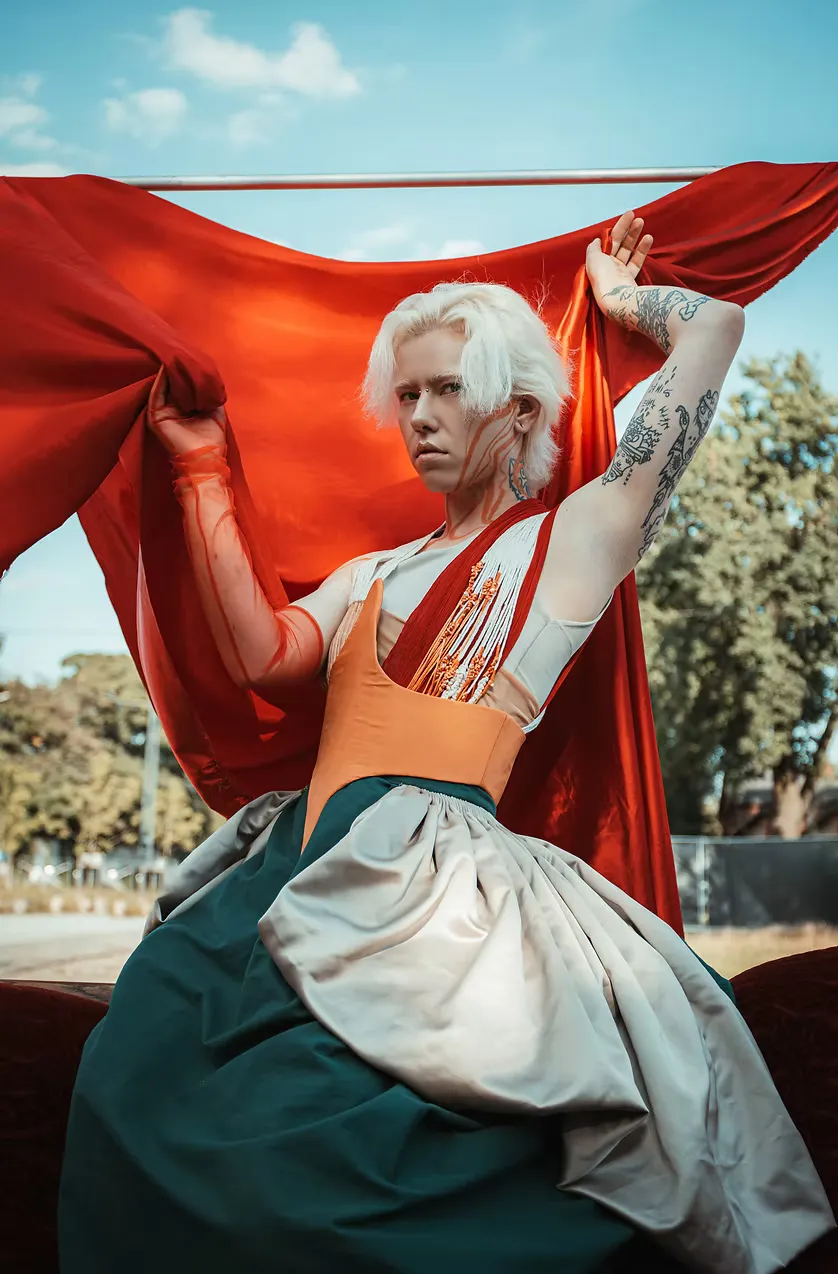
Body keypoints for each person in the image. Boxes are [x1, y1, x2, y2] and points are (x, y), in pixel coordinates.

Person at [58, 213, 833, 1273]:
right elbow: (256, 654)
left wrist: (616, 303)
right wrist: (196, 466)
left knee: (372, 1163)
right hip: (292, 876)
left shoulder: (575, 538)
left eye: (445, 389)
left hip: (444, 903)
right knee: (136, 1075)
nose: (416, 416)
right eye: (406, 393)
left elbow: (719, 329)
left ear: (517, 408)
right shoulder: (364, 574)